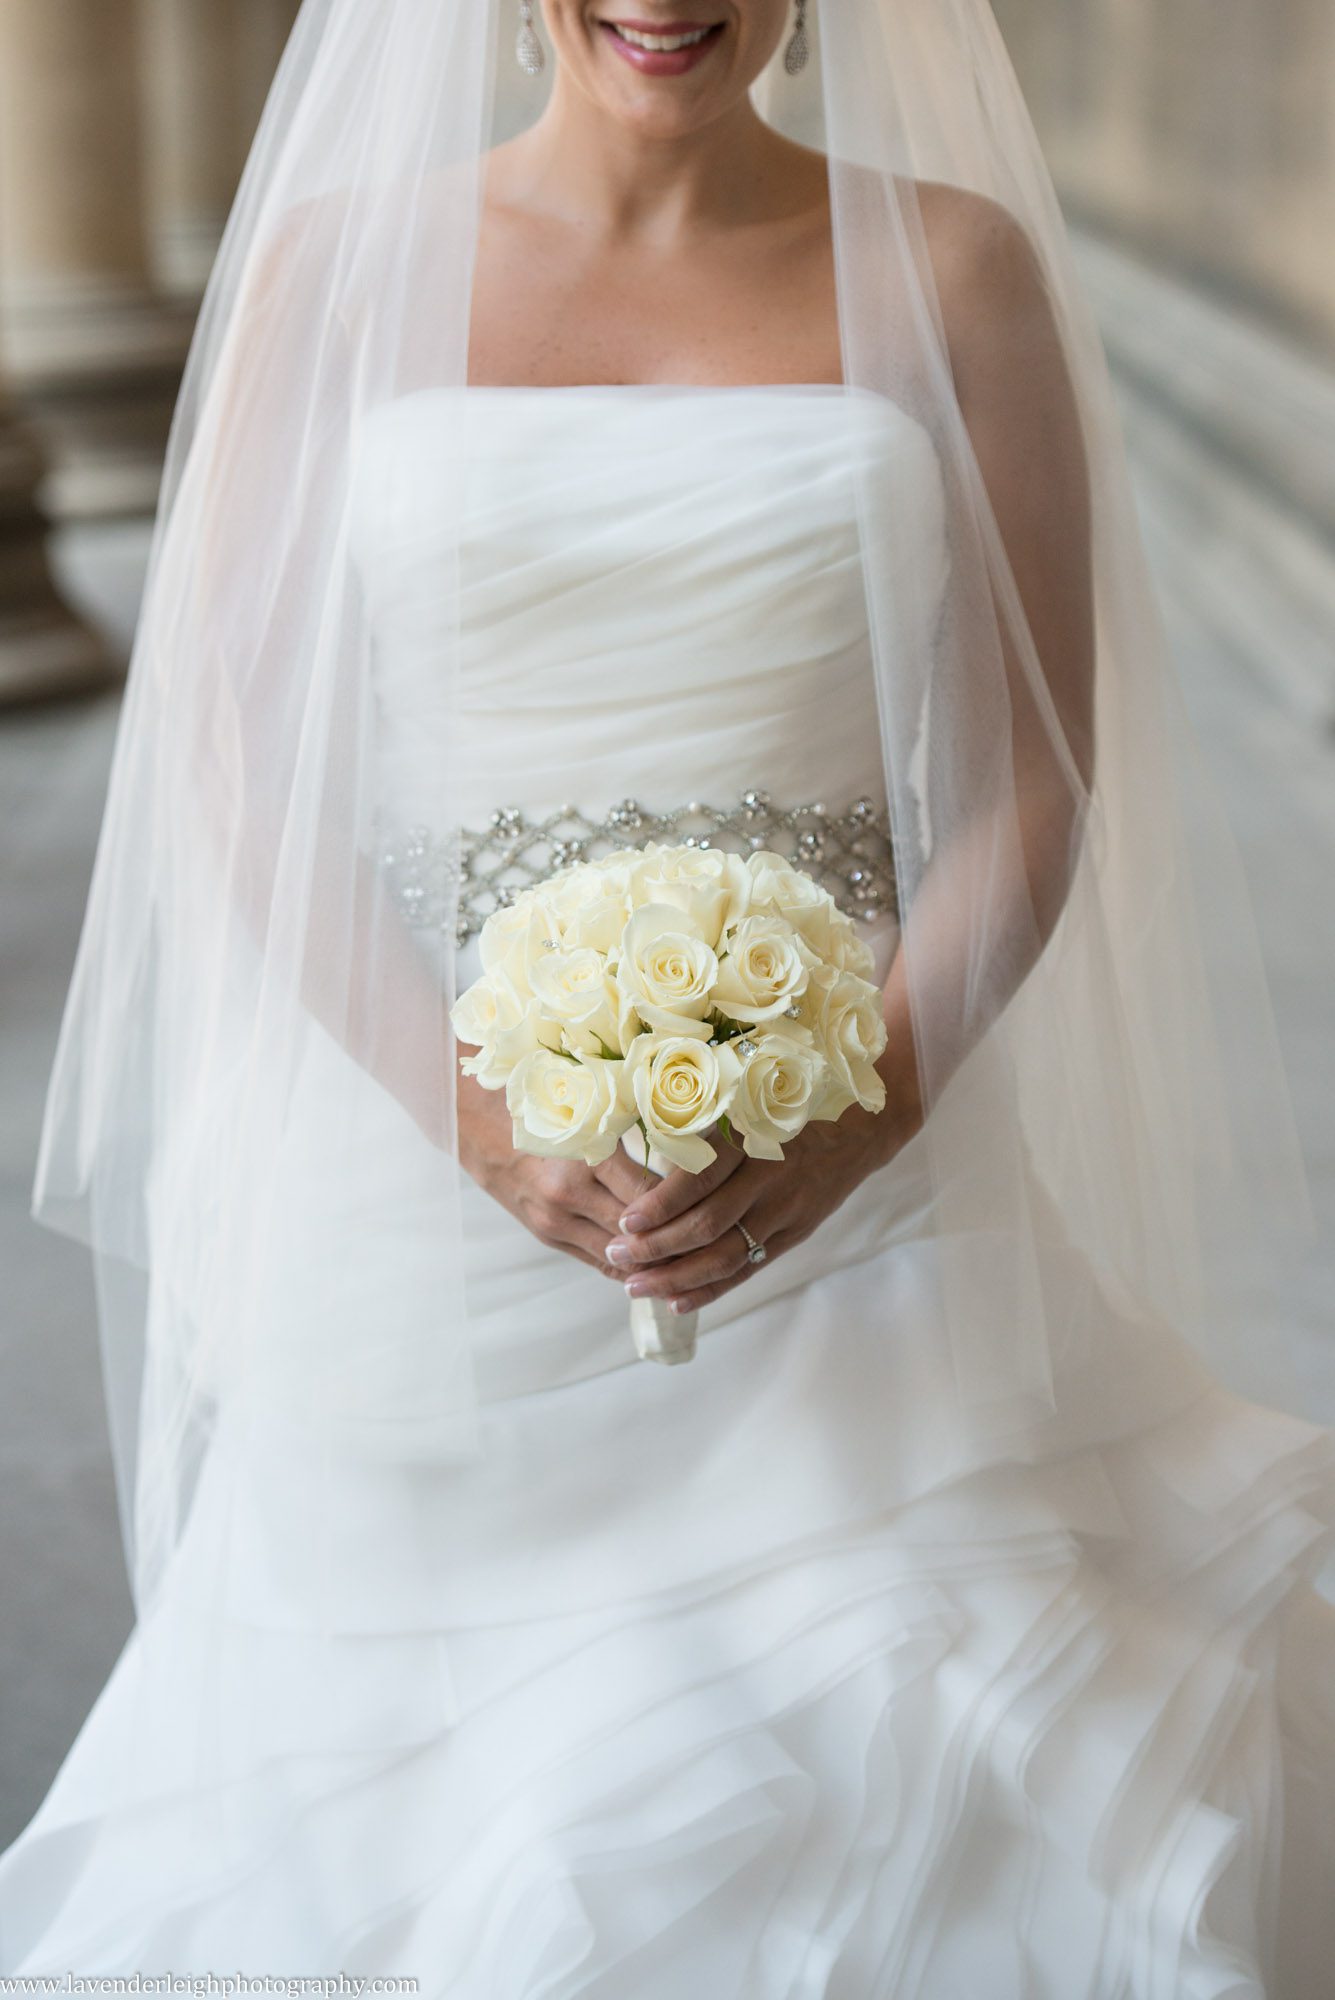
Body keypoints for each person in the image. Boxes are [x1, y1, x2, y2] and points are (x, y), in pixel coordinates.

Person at [2, 2, 1332, 1991]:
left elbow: (1025, 779)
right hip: (421, 1207)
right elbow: (244, 768)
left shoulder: (950, 258)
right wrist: (475, 1123)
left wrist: (855, 1115)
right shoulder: (329, 266)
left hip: (865, 1200)